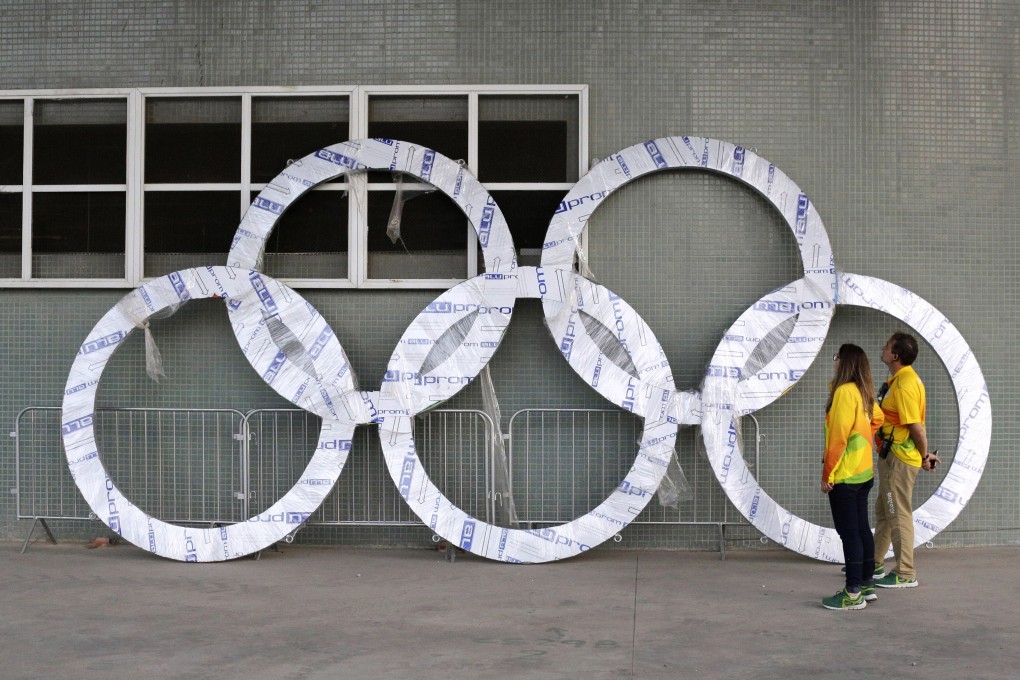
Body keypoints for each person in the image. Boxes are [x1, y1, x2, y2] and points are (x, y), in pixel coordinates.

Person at [873, 332, 941, 588]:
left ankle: (905, 572)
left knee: (897, 512)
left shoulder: (905, 385)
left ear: (895, 356)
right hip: (892, 456)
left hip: (899, 460)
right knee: (885, 509)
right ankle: (875, 563)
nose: (883, 348)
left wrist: (924, 456)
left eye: (887, 346)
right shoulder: (898, 380)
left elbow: (916, 427)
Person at [821, 344, 884, 610]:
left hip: (845, 475)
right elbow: (878, 419)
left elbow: (837, 439)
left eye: (836, 357)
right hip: (863, 472)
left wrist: (827, 474)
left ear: (844, 362)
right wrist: (863, 434)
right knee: (860, 529)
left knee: (849, 533)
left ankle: (852, 594)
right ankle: (867, 583)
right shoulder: (863, 391)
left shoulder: (845, 392)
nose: (834, 361)